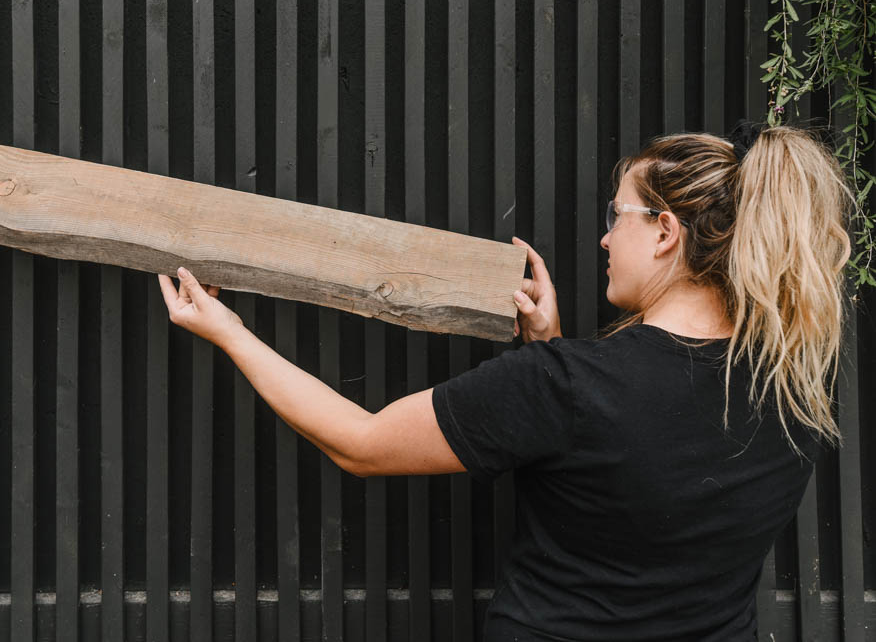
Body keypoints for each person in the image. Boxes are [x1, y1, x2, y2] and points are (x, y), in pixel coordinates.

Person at [158, 122, 853, 641]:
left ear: (666, 231)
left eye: (619, 214)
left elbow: (361, 443)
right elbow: (638, 454)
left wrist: (227, 329)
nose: (607, 238)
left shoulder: (568, 388)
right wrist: (548, 348)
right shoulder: (792, 392)